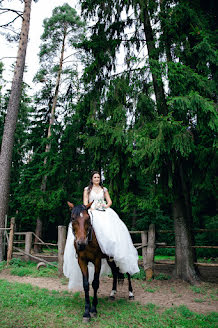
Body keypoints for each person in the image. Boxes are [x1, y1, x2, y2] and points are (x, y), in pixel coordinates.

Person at [63, 171, 139, 290]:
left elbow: (109, 201)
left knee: (110, 230)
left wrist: (104, 206)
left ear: (100, 179)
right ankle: (78, 250)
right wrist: (92, 207)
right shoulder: (87, 189)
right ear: (92, 179)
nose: (97, 179)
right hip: (91, 211)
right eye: (95, 177)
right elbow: (85, 202)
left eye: (98, 177)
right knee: (81, 226)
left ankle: (110, 252)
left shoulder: (104, 189)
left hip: (104, 211)